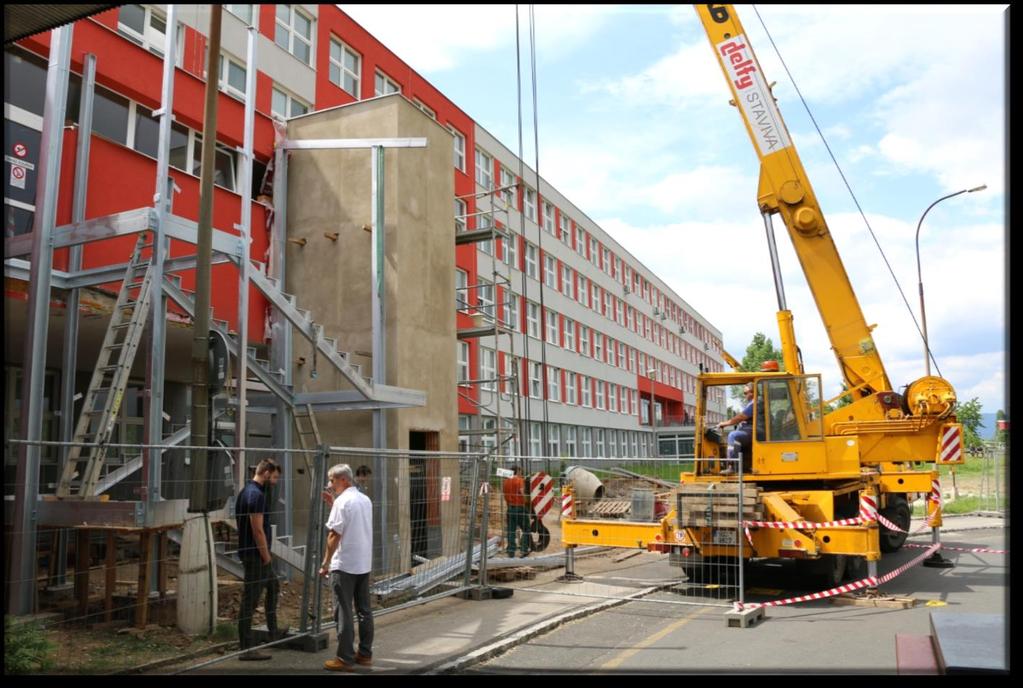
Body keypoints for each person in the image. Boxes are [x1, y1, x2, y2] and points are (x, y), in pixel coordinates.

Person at [319, 463, 374, 672]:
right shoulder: (364, 499)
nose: (330, 485)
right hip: (363, 562)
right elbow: (353, 522)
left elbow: (334, 534)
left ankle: (344, 658)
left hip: (344, 564)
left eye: (332, 480)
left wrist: (325, 563)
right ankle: (365, 654)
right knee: (364, 611)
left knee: (343, 611)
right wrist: (333, 503)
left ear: (343, 480)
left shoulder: (342, 502)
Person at [235, 458, 283, 660]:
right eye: (274, 477)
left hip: (255, 554)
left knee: (273, 585)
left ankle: (273, 632)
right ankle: (246, 648)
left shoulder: (246, 491)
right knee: (250, 600)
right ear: (266, 473)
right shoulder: (256, 495)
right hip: (256, 556)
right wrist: (266, 556)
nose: (275, 481)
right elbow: (258, 530)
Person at [716, 383, 755, 475]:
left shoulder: (754, 403)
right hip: (750, 430)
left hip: (753, 431)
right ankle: (739, 465)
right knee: (735, 435)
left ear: (753, 392)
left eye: (746, 393)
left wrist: (724, 424)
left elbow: (741, 417)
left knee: (733, 435)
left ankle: (731, 466)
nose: (744, 395)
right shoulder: (751, 403)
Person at [502, 466, 530, 558]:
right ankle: (524, 550)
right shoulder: (519, 480)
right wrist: (528, 501)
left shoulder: (505, 482)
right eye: (520, 472)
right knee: (526, 529)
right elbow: (522, 492)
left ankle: (511, 552)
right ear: (517, 471)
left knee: (511, 531)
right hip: (520, 508)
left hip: (510, 508)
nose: (521, 474)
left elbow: (505, 495)